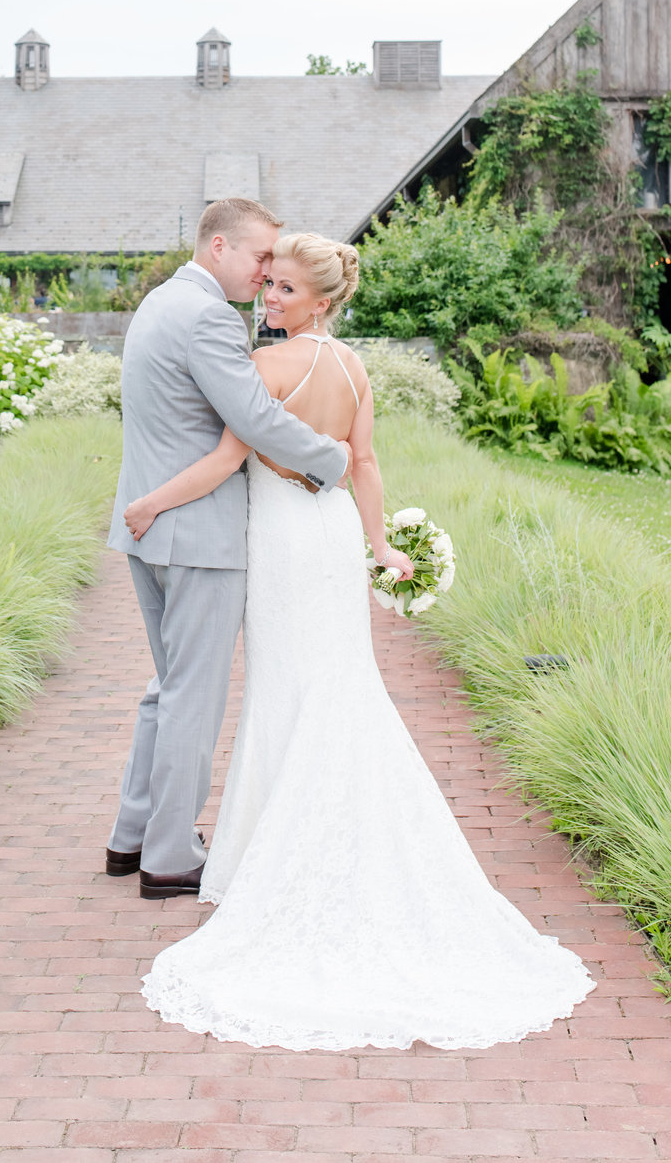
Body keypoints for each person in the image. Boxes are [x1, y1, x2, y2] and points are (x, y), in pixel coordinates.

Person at [122, 231, 595, 1051]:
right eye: (267, 287)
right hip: (334, 540)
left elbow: (228, 461)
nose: (268, 301)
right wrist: (378, 547)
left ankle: (268, 850)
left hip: (278, 542)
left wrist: (150, 504)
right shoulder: (353, 369)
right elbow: (364, 465)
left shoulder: (268, 367)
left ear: (321, 301)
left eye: (284, 293)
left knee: (284, 692)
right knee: (339, 684)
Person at [106, 198, 372, 900]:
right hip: (200, 533)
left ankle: (130, 835)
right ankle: (167, 854)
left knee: (167, 687)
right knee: (193, 694)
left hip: (150, 526)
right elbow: (253, 419)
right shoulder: (209, 319)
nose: (264, 277)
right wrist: (333, 461)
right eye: (260, 260)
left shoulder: (161, 302)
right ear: (219, 246)